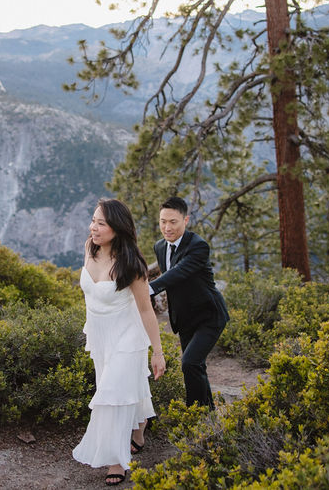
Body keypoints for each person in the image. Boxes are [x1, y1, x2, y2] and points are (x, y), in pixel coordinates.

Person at [73, 198, 166, 486]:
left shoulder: (132, 264)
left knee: (112, 393)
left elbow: (145, 310)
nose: (94, 227)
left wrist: (158, 352)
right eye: (93, 220)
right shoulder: (89, 248)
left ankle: (116, 459)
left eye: (101, 223)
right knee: (121, 386)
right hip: (100, 335)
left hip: (128, 335)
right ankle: (140, 427)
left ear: (117, 227)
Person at [148, 196, 229, 409]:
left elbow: (179, 272)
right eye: (163, 221)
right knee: (196, 366)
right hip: (184, 318)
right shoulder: (159, 247)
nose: (167, 227)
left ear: (186, 220)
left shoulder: (198, 246)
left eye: (173, 221)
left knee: (190, 363)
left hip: (209, 315)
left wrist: (148, 288)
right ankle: (206, 413)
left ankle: (196, 415)